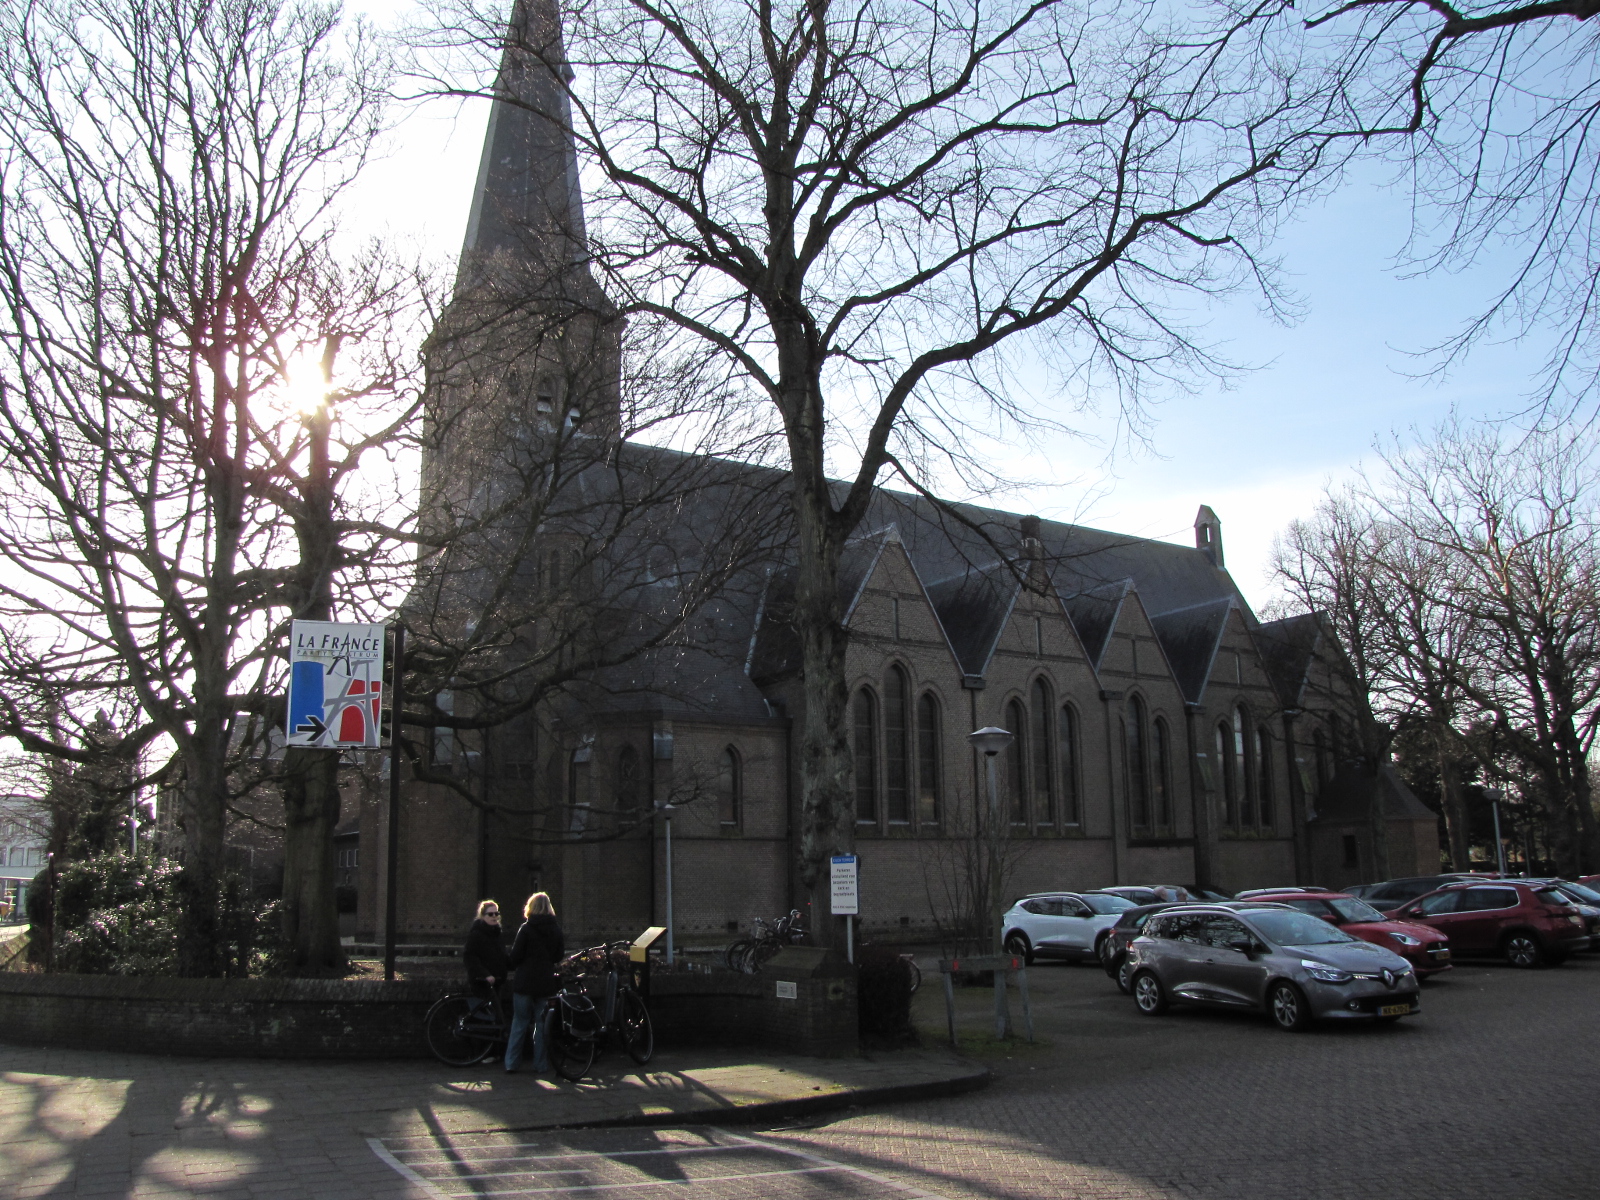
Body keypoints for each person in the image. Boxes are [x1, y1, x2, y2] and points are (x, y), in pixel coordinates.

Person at [504, 891, 564, 1074]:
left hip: (524, 983)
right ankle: (540, 1065)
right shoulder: (555, 929)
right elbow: (558, 956)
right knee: (541, 1025)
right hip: (546, 983)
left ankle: (512, 1063)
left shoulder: (526, 928)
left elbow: (515, 957)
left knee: (519, 1022)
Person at [462, 899, 507, 1015]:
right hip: (482, 982)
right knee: (487, 1014)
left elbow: (503, 956)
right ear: (482, 916)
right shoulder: (476, 934)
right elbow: (470, 957)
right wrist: (485, 974)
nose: (494, 916)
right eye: (490, 914)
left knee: (497, 1014)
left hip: (496, 981)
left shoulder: (497, 934)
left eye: (496, 914)